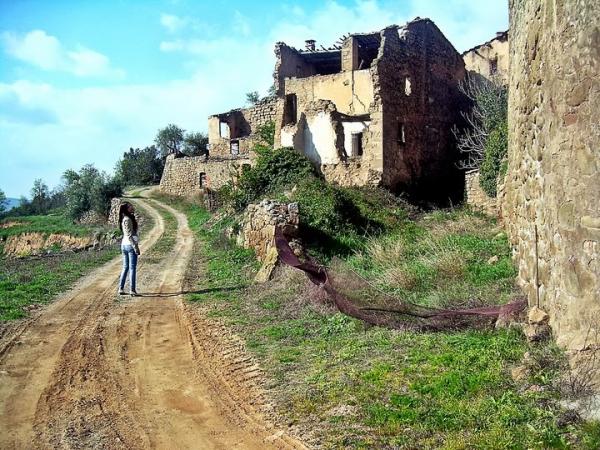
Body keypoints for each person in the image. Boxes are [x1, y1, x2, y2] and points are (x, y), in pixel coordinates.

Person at [118, 202, 140, 296]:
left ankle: (121, 288)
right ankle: (132, 290)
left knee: (126, 267)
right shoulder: (127, 219)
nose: (132, 207)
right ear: (127, 209)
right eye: (130, 206)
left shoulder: (127, 218)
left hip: (124, 245)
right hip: (130, 246)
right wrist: (136, 247)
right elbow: (129, 235)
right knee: (132, 268)